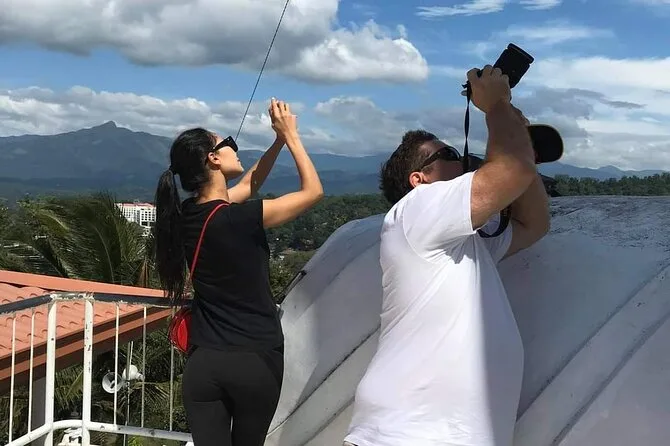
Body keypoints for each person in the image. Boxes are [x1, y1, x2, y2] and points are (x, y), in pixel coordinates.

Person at [343, 65, 551, 446]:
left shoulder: (465, 243)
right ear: (418, 179)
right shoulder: (415, 209)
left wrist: (516, 134)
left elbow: (534, 223)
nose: (460, 160)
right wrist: (496, 108)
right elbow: (510, 171)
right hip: (407, 434)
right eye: (448, 154)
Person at [153, 98, 323, 446]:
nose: (235, 147)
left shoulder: (187, 215)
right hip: (254, 360)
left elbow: (249, 185)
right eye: (227, 143)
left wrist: (276, 142)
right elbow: (313, 192)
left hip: (204, 365)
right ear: (213, 159)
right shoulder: (239, 218)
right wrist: (292, 136)